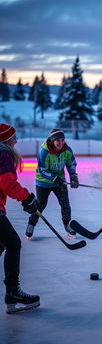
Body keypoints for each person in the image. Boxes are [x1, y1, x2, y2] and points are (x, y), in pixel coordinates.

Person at [0, 123, 40, 314]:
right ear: (7, 139)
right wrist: (27, 198)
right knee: (13, 244)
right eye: (14, 137)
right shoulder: (4, 153)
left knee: (1, 245)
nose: (16, 141)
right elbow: (8, 183)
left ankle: (12, 292)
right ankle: (13, 292)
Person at [25, 129, 79, 239]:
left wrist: (73, 176)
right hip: (43, 182)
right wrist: (54, 178)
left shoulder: (67, 150)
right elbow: (42, 169)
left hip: (59, 181)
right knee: (41, 205)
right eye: (58, 140)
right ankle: (31, 223)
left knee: (65, 204)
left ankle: (67, 225)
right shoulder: (44, 152)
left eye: (63, 140)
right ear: (52, 141)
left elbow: (71, 163)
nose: (61, 143)